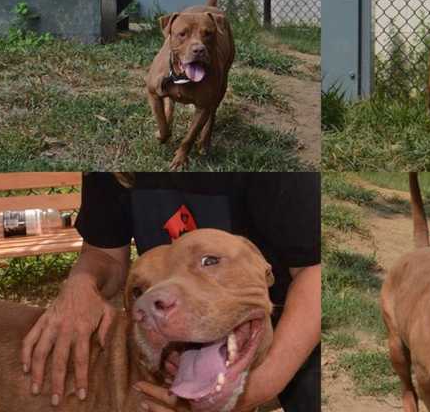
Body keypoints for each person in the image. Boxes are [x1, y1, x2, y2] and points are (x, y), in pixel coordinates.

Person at [20, 172, 320, 411]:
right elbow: (106, 255)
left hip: (295, 316)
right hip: (184, 340)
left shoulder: (279, 167)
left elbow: (314, 270)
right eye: (139, 293)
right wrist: (81, 284)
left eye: (210, 261)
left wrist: (258, 387)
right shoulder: (114, 163)